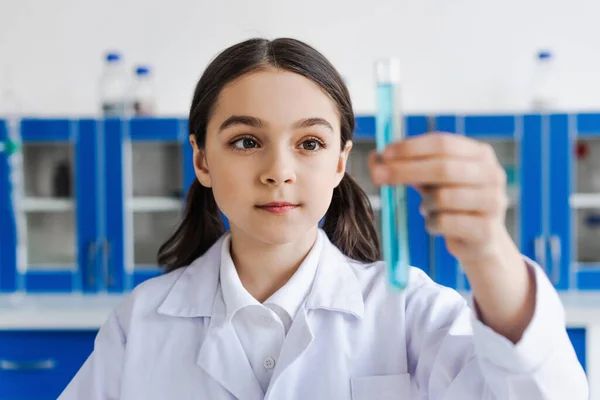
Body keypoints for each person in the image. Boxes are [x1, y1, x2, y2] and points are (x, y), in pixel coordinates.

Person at [59, 38, 588, 400]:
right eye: (246, 141)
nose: (279, 172)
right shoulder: (142, 324)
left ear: (340, 161)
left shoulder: (406, 311)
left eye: (309, 143)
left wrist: (490, 252)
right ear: (201, 160)